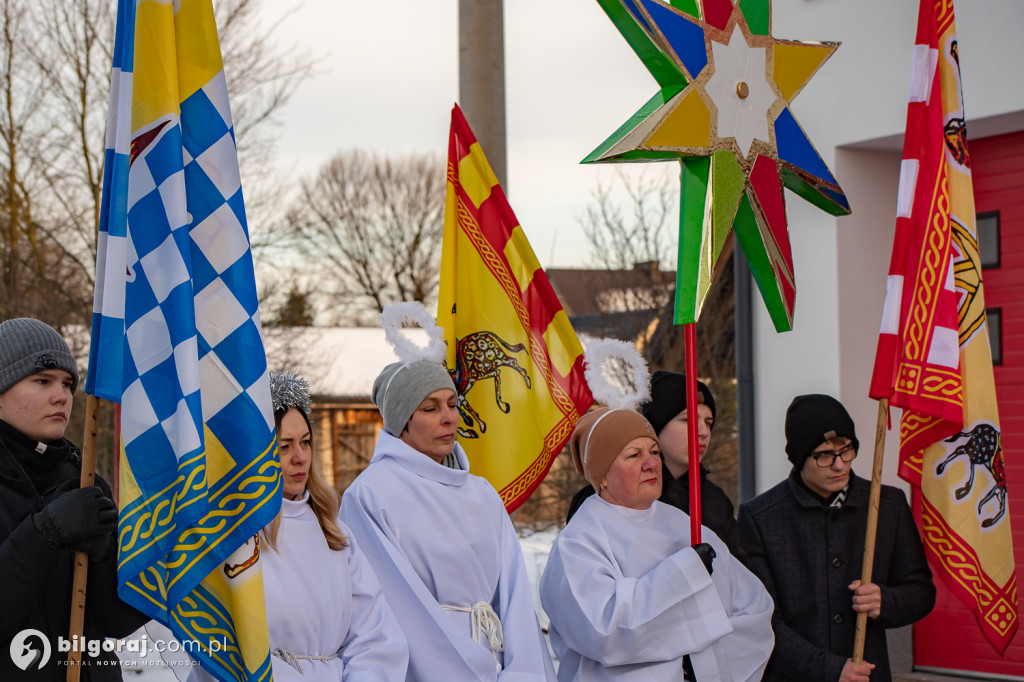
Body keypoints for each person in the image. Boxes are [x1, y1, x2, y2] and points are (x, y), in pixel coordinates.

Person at [340, 358, 556, 681]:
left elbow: (516, 598)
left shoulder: (482, 493)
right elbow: (400, 607)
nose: (448, 418)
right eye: (430, 408)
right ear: (403, 422)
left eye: (453, 404)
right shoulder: (371, 495)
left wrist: (521, 671)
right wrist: (472, 670)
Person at [190, 370, 409, 681]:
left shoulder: (335, 533)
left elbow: (374, 634)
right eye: (284, 447)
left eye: (305, 443)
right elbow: (216, 641)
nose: (300, 458)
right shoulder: (228, 536)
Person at [540, 406, 774, 681]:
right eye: (633, 455)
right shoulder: (579, 543)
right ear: (602, 475)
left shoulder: (685, 525)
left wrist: (707, 666)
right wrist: (684, 574)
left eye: (654, 452)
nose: (651, 463)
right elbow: (604, 632)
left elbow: (754, 607)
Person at [737, 394, 936, 682]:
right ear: (798, 456)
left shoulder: (886, 505)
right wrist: (829, 669)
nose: (840, 465)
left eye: (847, 450)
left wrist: (886, 600)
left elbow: (921, 592)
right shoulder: (760, 517)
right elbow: (762, 622)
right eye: (824, 455)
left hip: (868, 673)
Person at [0, 318, 148, 680]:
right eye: (42, 380)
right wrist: (46, 534)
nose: (62, 396)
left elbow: (119, 621)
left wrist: (102, 559)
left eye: (67, 383)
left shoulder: (85, 484)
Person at [566, 371, 741, 557]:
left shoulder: (715, 500)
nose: (704, 432)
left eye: (708, 422)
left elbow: (739, 570)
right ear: (657, 426)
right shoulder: (606, 498)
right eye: (687, 419)